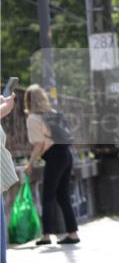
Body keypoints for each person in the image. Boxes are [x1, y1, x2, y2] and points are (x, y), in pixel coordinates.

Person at [22, 85, 80, 246]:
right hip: (66, 155)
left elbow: (39, 144)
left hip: (55, 157)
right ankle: (73, 233)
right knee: (63, 196)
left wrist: (30, 163)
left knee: (47, 197)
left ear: (27, 100)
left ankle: (46, 235)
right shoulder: (54, 113)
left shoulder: (33, 118)